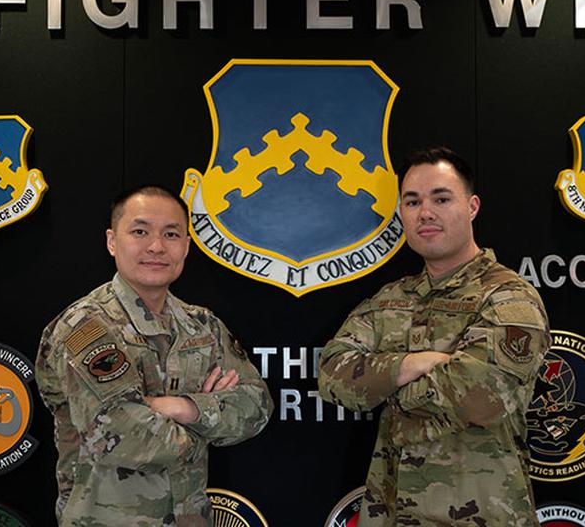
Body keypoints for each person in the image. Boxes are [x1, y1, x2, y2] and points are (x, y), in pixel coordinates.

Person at [318, 147, 550, 526]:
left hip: (482, 515)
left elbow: (481, 396)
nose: (425, 212)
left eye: (441, 198)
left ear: (472, 206)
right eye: (412, 201)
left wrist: (385, 385)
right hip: (392, 514)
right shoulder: (390, 300)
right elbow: (332, 376)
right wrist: (413, 363)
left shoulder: (508, 295)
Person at [36, 185, 273, 527]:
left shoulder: (201, 324)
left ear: (186, 246)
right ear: (112, 241)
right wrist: (209, 420)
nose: (157, 246)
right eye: (140, 231)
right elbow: (122, 436)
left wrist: (185, 407)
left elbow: (257, 406)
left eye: (171, 234)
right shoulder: (85, 327)